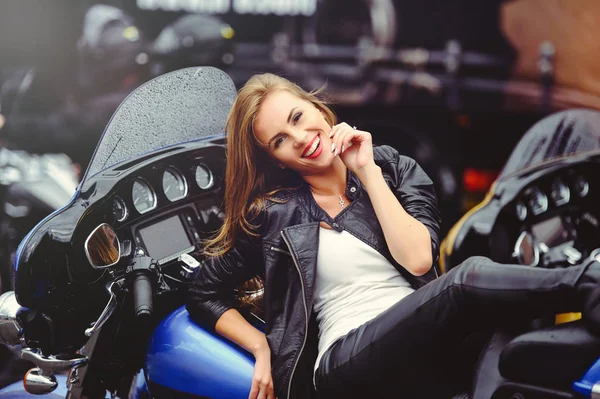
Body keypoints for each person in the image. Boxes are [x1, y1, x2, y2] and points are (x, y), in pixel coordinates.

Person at [186, 73, 600, 399]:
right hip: (345, 360)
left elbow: (417, 257)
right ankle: (590, 281)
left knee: (512, 333)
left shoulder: (395, 170)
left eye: (297, 118)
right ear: (273, 158)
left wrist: (366, 170)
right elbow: (203, 291)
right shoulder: (272, 215)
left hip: (418, 339)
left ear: (315, 106)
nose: (299, 140)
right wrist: (261, 347)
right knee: (465, 280)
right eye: (280, 141)